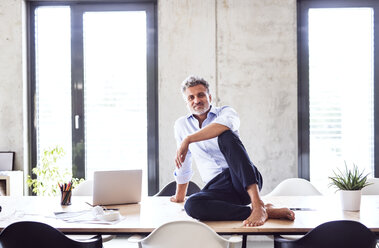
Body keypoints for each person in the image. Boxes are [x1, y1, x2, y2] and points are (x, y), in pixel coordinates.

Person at [170, 75, 295, 226]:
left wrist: (189, 139)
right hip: (217, 187)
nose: (196, 100)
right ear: (187, 103)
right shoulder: (181, 125)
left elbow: (223, 126)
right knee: (192, 205)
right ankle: (262, 211)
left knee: (226, 136)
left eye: (201, 95)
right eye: (191, 97)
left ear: (209, 97)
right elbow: (184, 160)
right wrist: (179, 196)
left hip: (242, 178)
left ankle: (257, 204)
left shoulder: (226, 112)